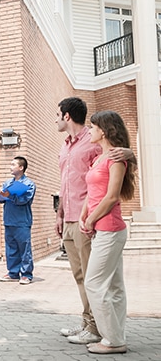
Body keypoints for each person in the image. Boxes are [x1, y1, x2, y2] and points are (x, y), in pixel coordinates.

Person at [54, 97, 132, 345]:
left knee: (93, 278)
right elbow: (66, 182)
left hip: (87, 219)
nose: (55, 119)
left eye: (57, 114)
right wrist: (60, 214)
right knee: (80, 276)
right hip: (69, 217)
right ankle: (87, 323)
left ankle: (97, 328)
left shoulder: (93, 141)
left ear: (67, 116)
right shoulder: (66, 146)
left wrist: (131, 153)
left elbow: (116, 158)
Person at [80, 111, 136, 354]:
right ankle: (116, 337)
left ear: (103, 130)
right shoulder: (99, 158)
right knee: (113, 286)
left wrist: (91, 219)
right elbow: (93, 190)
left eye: (92, 127)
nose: (89, 131)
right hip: (101, 228)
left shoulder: (116, 158)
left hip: (110, 228)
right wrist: (84, 213)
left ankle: (112, 340)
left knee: (94, 283)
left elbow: (112, 197)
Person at [0, 156, 36, 285]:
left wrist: (10, 196)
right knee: (11, 248)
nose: (10, 166)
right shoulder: (7, 183)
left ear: (21, 167)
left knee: (24, 249)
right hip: (9, 220)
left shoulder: (29, 184)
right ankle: (13, 273)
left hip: (22, 222)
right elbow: (1, 200)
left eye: (13, 164)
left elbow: (24, 200)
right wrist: (1, 196)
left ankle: (26, 274)